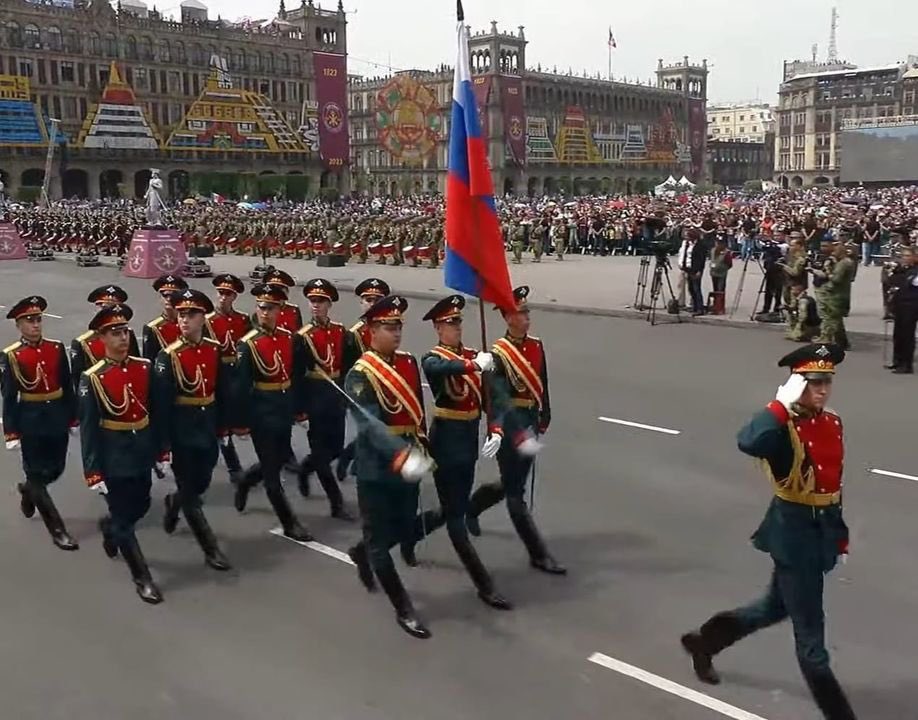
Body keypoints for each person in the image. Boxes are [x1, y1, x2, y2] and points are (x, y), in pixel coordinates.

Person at [681, 343, 857, 720]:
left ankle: (704, 643)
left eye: (826, 381)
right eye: (813, 382)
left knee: (773, 607)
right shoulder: (781, 428)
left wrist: (839, 536)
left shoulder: (832, 422)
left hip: (819, 534)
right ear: (796, 384)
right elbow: (747, 440)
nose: (822, 389)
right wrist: (779, 406)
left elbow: (832, 486)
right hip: (794, 539)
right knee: (811, 642)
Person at [398, 295, 513, 610]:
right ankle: (484, 584)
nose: (456, 327)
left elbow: (496, 399)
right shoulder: (432, 358)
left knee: (453, 509)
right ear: (437, 327)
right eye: (450, 323)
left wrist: (497, 429)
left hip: (469, 440)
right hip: (446, 440)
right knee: (457, 521)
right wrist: (472, 364)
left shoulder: (479, 356)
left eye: (459, 321)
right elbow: (440, 368)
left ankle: (409, 536)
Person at [344, 295, 436, 639]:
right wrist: (401, 455)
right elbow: (369, 424)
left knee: (405, 526)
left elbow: (416, 411)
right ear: (370, 331)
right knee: (380, 540)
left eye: (398, 326)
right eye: (388, 326)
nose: (396, 333)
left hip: (408, 459)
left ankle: (361, 551)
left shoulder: (409, 363)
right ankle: (404, 608)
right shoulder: (360, 374)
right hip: (377, 468)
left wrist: (422, 443)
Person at [465, 286, 566, 575]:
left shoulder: (536, 345)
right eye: (521, 313)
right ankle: (538, 553)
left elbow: (542, 382)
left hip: (531, 419)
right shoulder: (498, 354)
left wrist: (544, 414)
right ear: (508, 318)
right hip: (510, 428)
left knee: (514, 482)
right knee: (515, 495)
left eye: (527, 312)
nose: (526, 318)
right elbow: (497, 399)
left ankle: (474, 506)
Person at [78, 305, 164, 604]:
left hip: (141, 452)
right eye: (115, 333)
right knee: (126, 522)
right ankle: (143, 579)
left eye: (125, 331)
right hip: (113, 456)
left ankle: (110, 529)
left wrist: (162, 450)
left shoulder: (144, 367)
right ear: (101, 338)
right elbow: (89, 428)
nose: (123, 338)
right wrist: (92, 471)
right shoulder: (93, 378)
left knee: (142, 504)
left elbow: (156, 411)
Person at [152, 289, 232, 571]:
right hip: (181, 430)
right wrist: (162, 447)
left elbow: (221, 391)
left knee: (202, 483)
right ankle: (210, 549)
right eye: (182, 314)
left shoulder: (213, 348)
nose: (184, 319)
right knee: (191, 493)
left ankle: (174, 502)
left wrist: (223, 427)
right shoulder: (167, 356)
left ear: (203, 317)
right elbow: (161, 405)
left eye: (191, 314)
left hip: (206, 426)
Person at [231, 284, 312, 541]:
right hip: (261, 413)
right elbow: (240, 388)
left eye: (271, 308)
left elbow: (296, 376)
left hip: (283, 408)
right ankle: (290, 523)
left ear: (280, 310)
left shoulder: (289, 338)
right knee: (272, 475)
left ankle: (245, 480)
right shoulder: (248, 345)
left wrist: (299, 410)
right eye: (261, 307)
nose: (265, 312)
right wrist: (241, 423)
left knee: (276, 460)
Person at [1, 296, 79, 551]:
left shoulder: (56, 349)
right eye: (29, 321)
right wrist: (11, 431)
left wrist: (73, 417)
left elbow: (67, 385)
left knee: (56, 469)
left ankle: (27, 489)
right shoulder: (11, 356)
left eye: (37, 320)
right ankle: (58, 530)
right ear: (19, 325)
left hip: (56, 415)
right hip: (30, 420)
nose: (35, 325)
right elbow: (10, 396)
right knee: (37, 474)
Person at [295, 279, 354, 520]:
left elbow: (348, 365)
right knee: (321, 454)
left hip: (335, 396)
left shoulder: (341, 332)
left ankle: (304, 468)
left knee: (336, 449)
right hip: (315, 399)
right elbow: (296, 376)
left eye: (321, 301)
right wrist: (301, 412)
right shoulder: (302, 337)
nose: (316, 305)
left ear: (329, 304)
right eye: (312, 301)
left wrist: (348, 395)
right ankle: (336, 503)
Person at [338, 278, 391, 481]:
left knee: (372, 430)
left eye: (377, 299)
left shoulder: (388, 328)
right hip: (362, 391)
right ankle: (359, 467)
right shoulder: (353, 335)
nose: (372, 303)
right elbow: (347, 368)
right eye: (368, 299)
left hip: (385, 388)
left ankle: (351, 459)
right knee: (370, 428)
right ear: (361, 303)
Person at [204, 273, 251, 483]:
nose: (223, 297)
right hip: (215, 372)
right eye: (221, 293)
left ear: (234, 297)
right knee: (219, 420)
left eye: (228, 294)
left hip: (236, 372)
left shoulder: (242, 319)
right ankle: (233, 466)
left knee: (232, 418)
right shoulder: (207, 321)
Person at [70, 285, 140, 395]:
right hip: (99, 394)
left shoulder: (127, 334)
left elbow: (135, 364)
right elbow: (79, 380)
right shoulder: (83, 343)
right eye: (103, 308)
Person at [143, 275, 188, 362]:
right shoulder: (153, 328)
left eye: (172, 296)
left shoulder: (190, 322)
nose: (168, 299)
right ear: (160, 298)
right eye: (165, 295)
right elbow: (150, 359)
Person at [887, 247, 918, 374]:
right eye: (903, 256)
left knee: (907, 336)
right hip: (899, 305)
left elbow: (912, 284)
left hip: (911, 306)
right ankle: (897, 361)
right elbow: (892, 283)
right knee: (898, 334)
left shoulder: (915, 271)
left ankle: (907, 364)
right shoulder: (901, 270)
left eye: (907, 256)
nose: (904, 258)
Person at [708, 237, 731, 315]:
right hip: (714, 272)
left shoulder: (726, 252)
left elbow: (729, 263)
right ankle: (716, 305)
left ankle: (720, 307)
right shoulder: (713, 250)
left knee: (720, 290)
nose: (716, 244)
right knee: (716, 290)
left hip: (721, 273)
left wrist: (723, 268)